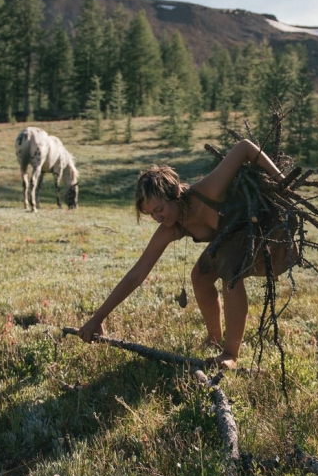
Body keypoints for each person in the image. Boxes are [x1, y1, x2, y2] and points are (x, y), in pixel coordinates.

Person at [77, 139, 293, 369]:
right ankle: (214, 340)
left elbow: (245, 148)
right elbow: (137, 274)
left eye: (160, 209)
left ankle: (230, 354)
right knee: (200, 276)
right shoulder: (170, 227)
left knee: (230, 274)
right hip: (228, 240)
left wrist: (283, 184)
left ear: (175, 194)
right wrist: (98, 317)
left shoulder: (207, 190)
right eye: (151, 214)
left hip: (261, 228)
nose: (158, 218)